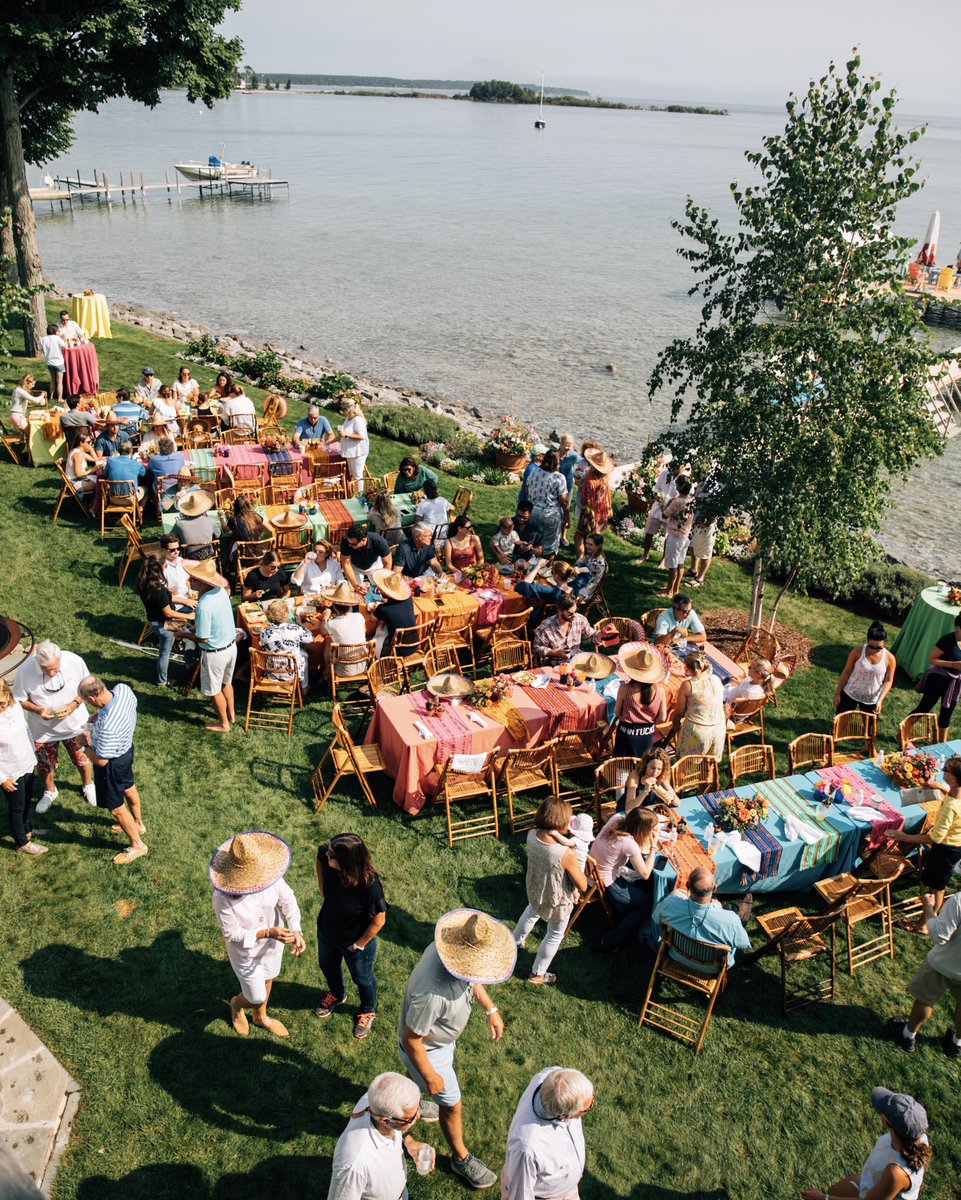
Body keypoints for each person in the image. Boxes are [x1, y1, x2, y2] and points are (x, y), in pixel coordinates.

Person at [398, 909, 515, 1190]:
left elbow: (471, 978)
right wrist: (430, 1075)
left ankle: (415, 1099)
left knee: (418, 1083)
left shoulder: (449, 954)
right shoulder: (433, 994)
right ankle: (460, 1159)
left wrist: (491, 1009)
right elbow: (412, 1040)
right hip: (428, 1051)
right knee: (452, 1105)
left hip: (437, 1043)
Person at [210, 831, 306, 1038]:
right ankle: (236, 1005)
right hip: (246, 953)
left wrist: (296, 929)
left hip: (273, 945)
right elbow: (232, 933)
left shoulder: (268, 875)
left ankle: (260, 1016)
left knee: (269, 977)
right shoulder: (221, 898)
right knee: (255, 996)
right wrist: (267, 932)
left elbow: (288, 900)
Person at [314, 833, 389, 1040]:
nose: (328, 856)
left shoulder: (370, 885)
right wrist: (323, 886)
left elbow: (379, 920)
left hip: (355, 944)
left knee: (362, 978)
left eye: (332, 855)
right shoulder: (328, 860)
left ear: (346, 861)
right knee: (327, 966)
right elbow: (320, 856)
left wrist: (358, 945)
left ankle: (367, 1010)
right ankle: (337, 994)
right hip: (327, 933)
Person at [800, 1087, 931, 1200]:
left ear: (888, 1122)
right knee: (833, 1191)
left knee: (830, 1195)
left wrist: (824, 1198)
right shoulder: (915, 1135)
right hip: (872, 1183)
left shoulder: (896, 1173)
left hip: (876, 1192)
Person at [888, 855, 961, 1057]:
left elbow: (939, 936)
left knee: (925, 999)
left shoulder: (958, 901)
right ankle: (957, 1043)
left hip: (943, 963)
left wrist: (928, 907)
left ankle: (908, 1034)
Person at [512, 797, 589, 985]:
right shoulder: (565, 853)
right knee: (554, 934)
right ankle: (537, 974)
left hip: (536, 886)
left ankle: (514, 943)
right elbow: (583, 885)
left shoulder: (532, 834)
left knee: (531, 911)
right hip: (557, 899)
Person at [13, 641, 96, 812]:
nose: (51, 673)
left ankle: (88, 785)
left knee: (83, 758)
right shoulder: (25, 670)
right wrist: (38, 710)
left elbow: (88, 688)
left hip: (75, 725)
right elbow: (19, 699)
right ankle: (50, 791)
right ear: (37, 662)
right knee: (45, 764)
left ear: (60, 658)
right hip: (42, 730)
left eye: (55, 669)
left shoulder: (75, 661)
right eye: (46, 669)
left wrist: (73, 705)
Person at [328, 1072, 435, 1200]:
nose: (418, 1116)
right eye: (410, 1118)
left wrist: (409, 1141)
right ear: (385, 1121)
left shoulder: (378, 1099)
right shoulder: (354, 1164)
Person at [77, 675, 147, 865]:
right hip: (126, 752)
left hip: (112, 765)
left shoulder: (109, 726)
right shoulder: (124, 690)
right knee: (129, 788)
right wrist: (92, 721)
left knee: (116, 808)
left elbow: (101, 761)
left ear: (91, 698)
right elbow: (104, 712)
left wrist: (83, 745)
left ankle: (137, 845)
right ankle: (138, 824)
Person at [503, 1067, 594, 1200]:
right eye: (588, 1108)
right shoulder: (527, 1149)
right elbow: (520, 1194)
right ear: (566, 1115)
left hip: (567, 1190)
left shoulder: (554, 1076)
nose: (592, 1103)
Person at [888, 754, 961, 918]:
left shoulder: (951, 807)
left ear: (953, 779)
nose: (943, 771)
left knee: (937, 887)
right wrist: (939, 786)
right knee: (935, 882)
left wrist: (904, 837)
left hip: (946, 849)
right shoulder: (957, 793)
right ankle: (930, 911)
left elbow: (936, 838)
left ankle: (926, 922)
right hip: (955, 843)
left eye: (945, 770)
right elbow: (954, 796)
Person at [651, 865, 751, 972]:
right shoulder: (730, 920)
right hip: (711, 968)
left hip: (676, 956)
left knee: (677, 893)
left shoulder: (669, 903)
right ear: (715, 888)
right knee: (731, 926)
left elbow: (655, 918)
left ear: (687, 886)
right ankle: (736, 911)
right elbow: (744, 944)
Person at [181, 558, 237, 733]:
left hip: (215, 654)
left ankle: (224, 724)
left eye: (193, 578)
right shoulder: (221, 592)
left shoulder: (203, 606)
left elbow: (203, 638)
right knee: (227, 682)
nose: (189, 581)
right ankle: (232, 715)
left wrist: (184, 634)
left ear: (202, 582)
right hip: (231, 647)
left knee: (214, 690)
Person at [591, 808, 659, 951]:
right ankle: (610, 941)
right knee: (647, 904)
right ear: (642, 830)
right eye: (651, 829)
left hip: (592, 868)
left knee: (641, 880)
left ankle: (626, 912)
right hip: (607, 883)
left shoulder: (616, 820)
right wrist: (653, 846)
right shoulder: (628, 843)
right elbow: (645, 874)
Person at [0, 680, 44, 856]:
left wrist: (33, 751)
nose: (0, 708)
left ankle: (26, 830)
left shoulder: (15, 707)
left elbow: (26, 729)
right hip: (9, 772)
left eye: (1, 703)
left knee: (26, 800)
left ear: (8, 695)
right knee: (17, 807)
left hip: (26, 764)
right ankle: (22, 843)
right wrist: (2, 778)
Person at [138, 554, 190, 687]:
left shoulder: (144, 583)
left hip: (153, 621)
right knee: (165, 653)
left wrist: (177, 597)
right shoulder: (158, 589)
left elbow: (162, 599)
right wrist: (190, 616)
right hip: (165, 625)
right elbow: (168, 612)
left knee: (165, 650)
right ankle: (162, 681)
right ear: (161, 567)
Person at [913, 612, 961, 739]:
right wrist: (953, 664)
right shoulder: (947, 641)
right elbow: (932, 659)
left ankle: (942, 743)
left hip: (954, 683)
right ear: (958, 627)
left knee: (947, 714)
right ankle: (901, 734)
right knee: (924, 708)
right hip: (938, 679)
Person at [615, 646, 668, 757]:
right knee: (643, 763)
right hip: (647, 735)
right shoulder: (660, 691)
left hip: (626, 734)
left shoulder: (624, 689)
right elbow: (662, 718)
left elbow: (617, 712)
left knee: (622, 764)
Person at [834, 623, 896, 715]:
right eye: (871, 646)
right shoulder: (857, 652)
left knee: (869, 724)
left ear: (884, 643)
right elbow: (846, 672)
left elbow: (888, 681)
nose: (874, 650)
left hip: (871, 699)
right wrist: (838, 693)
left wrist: (880, 700)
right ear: (867, 641)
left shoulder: (890, 658)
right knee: (841, 720)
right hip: (850, 692)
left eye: (878, 648)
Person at [674, 650, 726, 760]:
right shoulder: (716, 679)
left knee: (686, 764)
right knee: (710, 764)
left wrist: (675, 725)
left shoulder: (688, 685)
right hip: (719, 729)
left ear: (688, 668)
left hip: (698, 731)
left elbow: (679, 713)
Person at [640, 458, 690, 563]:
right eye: (674, 465)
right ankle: (645, 555)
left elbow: (687, 495)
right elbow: (656, 488)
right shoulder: (664, 474)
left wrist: (674, 500)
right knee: (649, 530)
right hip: (658, 506)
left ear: (683, 466)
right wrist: (657, 496)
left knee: (668, 535)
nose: (675, 469)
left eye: (678, 466)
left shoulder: (685, 479)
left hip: (672, 510)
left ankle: (663, 560)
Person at [318, 584, 369, 676]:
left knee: (328, 641)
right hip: (363, 665)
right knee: (331, 640)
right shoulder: (359, 616)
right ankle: (326, 670)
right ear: (350, 605)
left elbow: (322, 632)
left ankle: (327, 669)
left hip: (343, 669)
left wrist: (325, 617)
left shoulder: (331, 624)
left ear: (334, 606)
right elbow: (365, 630)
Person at [525, 449, 569, 558]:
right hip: (550, 515)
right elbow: (564, 501)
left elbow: (527, 490)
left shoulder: (534, 471)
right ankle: (548, 567)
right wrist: (567, 516)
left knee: (533, 543)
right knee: (549, 548)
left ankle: (530, 565)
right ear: (557, 462)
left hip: (533, 512)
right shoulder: (559, 478)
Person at [260, 599, 313, 687]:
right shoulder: (295, 629)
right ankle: (304, 686)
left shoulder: (264, 632)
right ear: (286, 614)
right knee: (304, 654)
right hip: (291, 672)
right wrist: (300, 624)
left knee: (300, 653)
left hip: (272, 672)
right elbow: (310, 638)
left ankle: (303, 686)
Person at [533, 596, 599, 665]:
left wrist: (601, 635)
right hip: (555, 664)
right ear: (560, 611)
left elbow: (591, 635)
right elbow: (537, 648)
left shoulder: (580, 619)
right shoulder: (546, 626)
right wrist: (556, 653)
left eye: (575, 611)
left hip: (576, 661)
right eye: (570, 613)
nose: (574, 615)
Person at [658, 475, 695, 599]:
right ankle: (675, 588)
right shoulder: (691, 501)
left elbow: (665, 515)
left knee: (672, 565)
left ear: (679, 487)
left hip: (675, 537)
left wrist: (666, 504)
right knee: (680, 564)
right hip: (685, 536)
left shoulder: (677, 502)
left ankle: (668, 591)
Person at [574, 449, 614, 555]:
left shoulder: (590, 480)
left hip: (589, 512)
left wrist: (580, 484)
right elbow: (607, 497)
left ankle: (581, 559)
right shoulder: (605, 479)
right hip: (602, 512)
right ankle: (598, 558)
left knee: (579, 536)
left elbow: (584, 500)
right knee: (596, 536)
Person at [370, 570, 416, 657]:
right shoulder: (409, 599)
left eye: (382, 589)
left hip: (397, 650)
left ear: (387, 593)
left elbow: (371, 618)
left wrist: (377, 609)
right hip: (414, 644)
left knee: (374, 639)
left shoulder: (384, 609)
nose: (380, 590)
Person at [621, 747, 678, 811]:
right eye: (653, 768)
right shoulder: (635, 775)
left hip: (648, 812)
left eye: (659, 769)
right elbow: (628, 809)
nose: (655, 772)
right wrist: (645, 791)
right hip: (628, 813)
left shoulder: (661, 776)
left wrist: (672, 798)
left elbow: (677, 803)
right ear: (646, 764)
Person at [171, 489, 221, 561]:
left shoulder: (179, 524)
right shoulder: (211, 521)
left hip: (189, 560)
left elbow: (171, 538)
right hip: (209, 559)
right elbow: (218, 535)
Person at [339, 399, 369, 497]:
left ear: (349, 409)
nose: (342, 411)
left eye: (344, 409)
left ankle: (359, 496)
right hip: (350, 452)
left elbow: (361, 436)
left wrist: (346, 435)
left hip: (358, 452)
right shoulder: (348, 419)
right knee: (353, 474)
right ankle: (355, 494)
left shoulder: (358, 420)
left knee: (358, 476)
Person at [572, 533, 607, 602]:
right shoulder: (589, 556)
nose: (587, 546)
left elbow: (590, 583)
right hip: (578, 582)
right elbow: (577, 564)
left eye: (591, 545)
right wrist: (575, 568)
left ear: (599, 546)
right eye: (587, 543)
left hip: (585, 590)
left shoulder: (598, 563)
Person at [65, 432, 100, 496]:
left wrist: (91, 449)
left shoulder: (79, 451)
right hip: (74, 483)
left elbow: (95, 460)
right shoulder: (78, 455)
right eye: (88, 442)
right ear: (81, 443)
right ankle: (95, 501)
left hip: (78, 479)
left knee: (99, 479)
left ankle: (93, 499)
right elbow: (78, 474)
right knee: (101, 483)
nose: (90, 444)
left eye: (91, 442)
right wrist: (92, 470)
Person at [39, 324, 66, 402]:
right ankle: (59, 398)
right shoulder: (57, 338)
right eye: (58, 331)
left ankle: (51, 396)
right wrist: (64, 339)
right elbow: (65, 347)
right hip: (59, 362)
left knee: (52, 380)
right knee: (59, 382)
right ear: (55, 331)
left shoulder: (43, 339)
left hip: (49, 362)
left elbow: (41, 349)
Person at [517, 444, 547, 508]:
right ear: (538, 456)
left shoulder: (537, 466)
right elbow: (528, 487)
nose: (546, 456)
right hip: (526, 500)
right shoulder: (532, 469)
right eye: (544, 454)